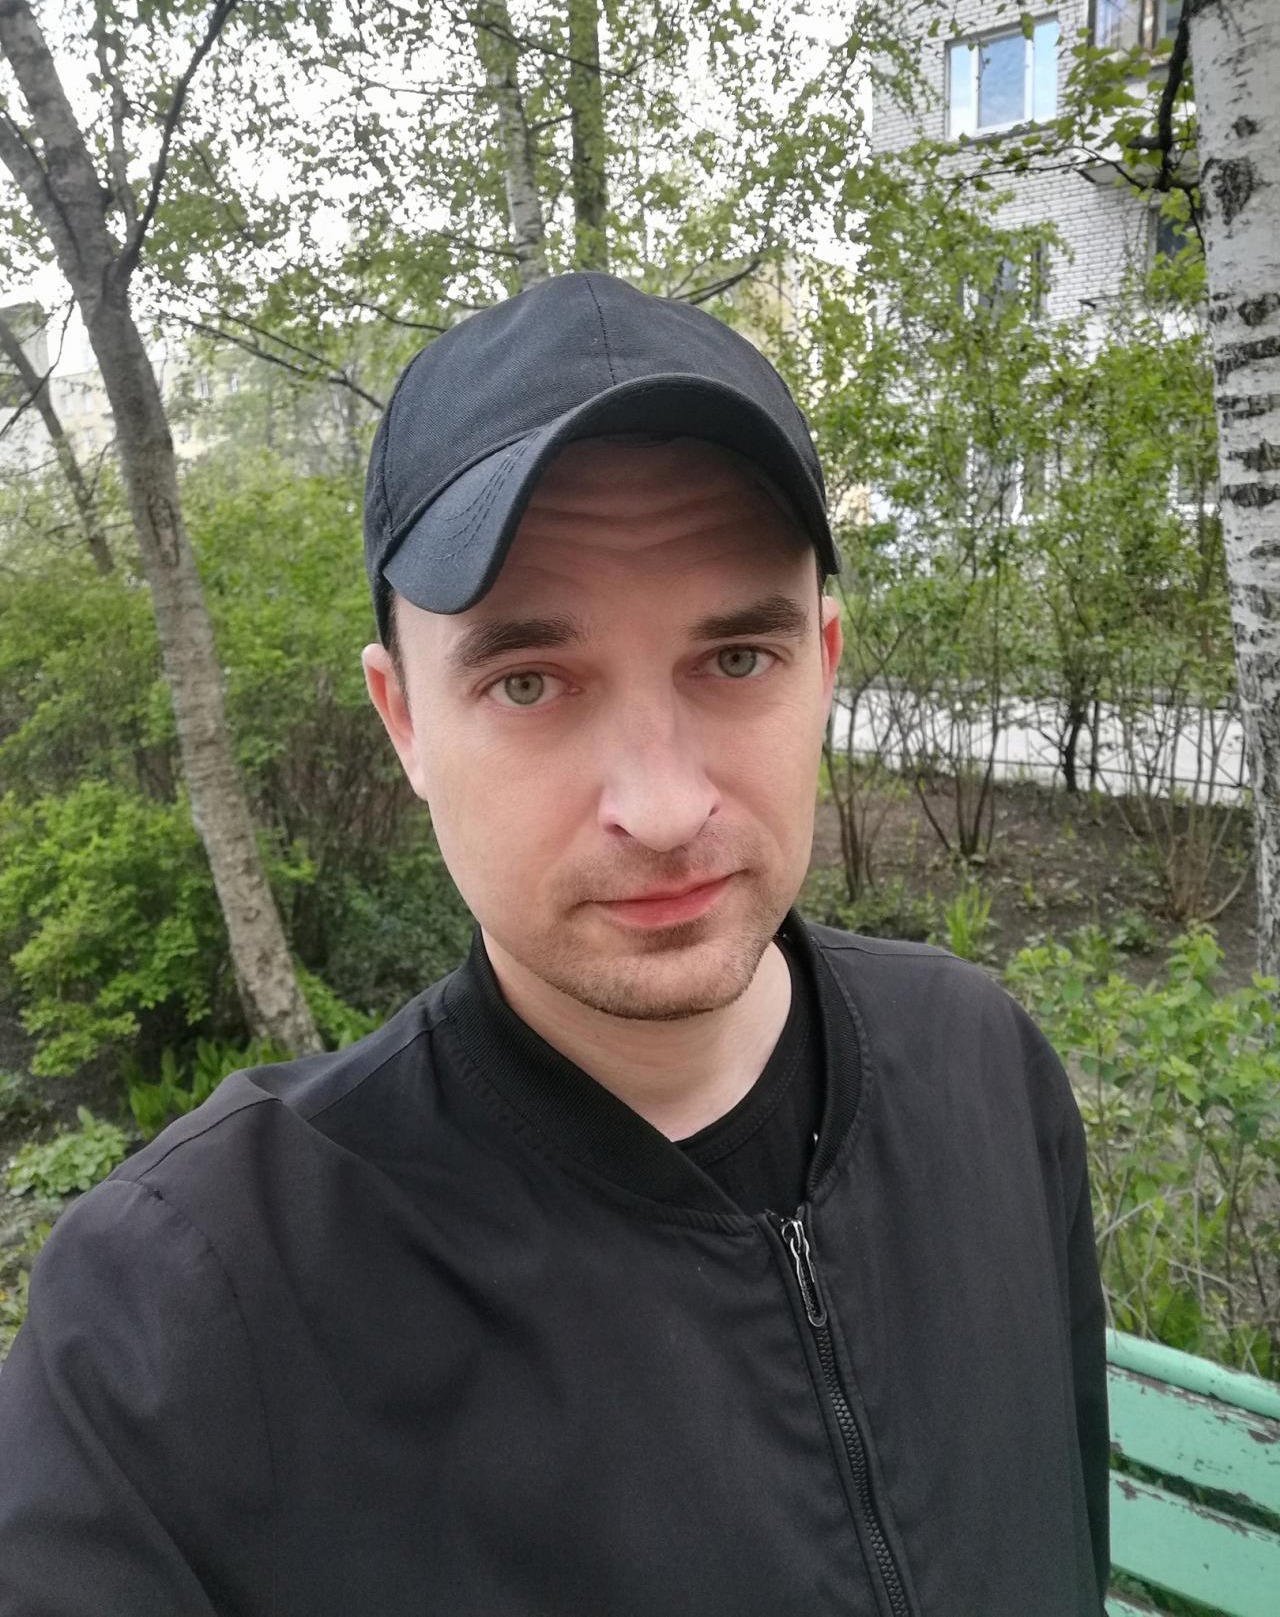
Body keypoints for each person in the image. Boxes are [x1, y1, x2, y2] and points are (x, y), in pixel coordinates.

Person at [0, 271, 1110, 1616]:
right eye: (529, 681)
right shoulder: (186, 1311)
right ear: (404, 719)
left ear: (823, 661)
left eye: (736, 659)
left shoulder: (987, 1070)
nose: (663, 807)